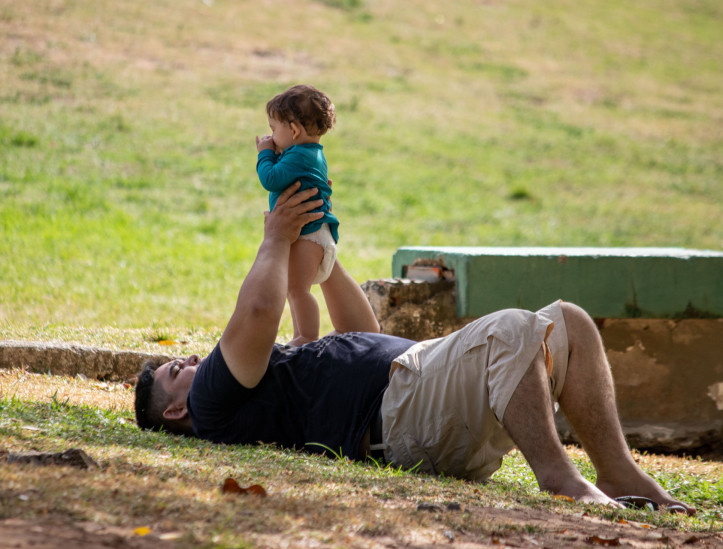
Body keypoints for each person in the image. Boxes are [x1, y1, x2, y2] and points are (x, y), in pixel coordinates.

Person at [134, 183, 695, 515]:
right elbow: (259, 311)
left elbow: (360, 331)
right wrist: (275, 237)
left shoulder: (273, 382)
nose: (186, 362)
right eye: (173, 372)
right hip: (403, 414)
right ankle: (558, 478)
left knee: (568, 322)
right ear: (177, 407)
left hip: (417, 396)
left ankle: (617, 470)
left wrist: (318, 245)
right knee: (511, 328)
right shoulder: (211, 402)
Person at [255, 84, 341, 346]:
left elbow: (270, 179)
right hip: (313, 234)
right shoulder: (309, 153)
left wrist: (265, 154)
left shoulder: (299, 156)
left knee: (297, 289)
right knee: (294, 287)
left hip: (309, 235)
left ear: (293, 130)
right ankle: (300, 335)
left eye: (273, 130)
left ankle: (307, 335)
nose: (271, 136)